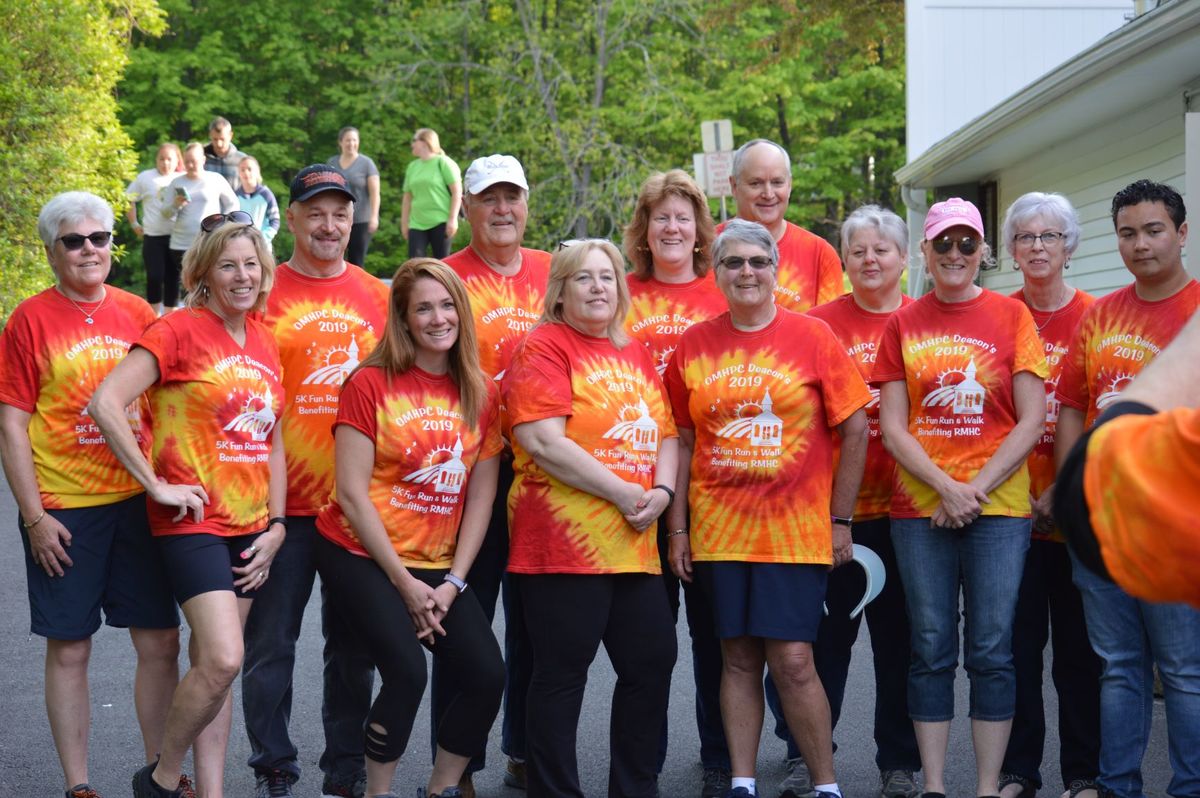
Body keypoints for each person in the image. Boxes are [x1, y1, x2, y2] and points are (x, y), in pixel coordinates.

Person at [664, 218, 870, 798]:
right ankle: (743, 782)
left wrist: (840, 519)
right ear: (717, 274)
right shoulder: (693, 345)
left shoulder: (812, 337)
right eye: (734, 263)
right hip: (718, 529)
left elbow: (856, 429)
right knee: (736, 658)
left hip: (794, 531)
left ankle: (826, 784)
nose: (747, 272)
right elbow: (681, 441)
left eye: (758, 261)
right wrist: (677, 530)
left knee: (795, 659)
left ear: (776, 270)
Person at [89, 216, 285, 798]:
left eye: (251, 263)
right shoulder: (176, 330)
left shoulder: (266, 339)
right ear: (203, 273)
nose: (242, 275)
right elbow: (107, 402)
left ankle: (212, 790)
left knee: (212, 669)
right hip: (193, 522)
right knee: (225, 658)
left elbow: (272, 438)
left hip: (251, 528)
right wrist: (156, 484)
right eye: (228, 264)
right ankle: (162, 777)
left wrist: (277, 524)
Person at [0, 192, 182, 798]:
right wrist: (34, 518)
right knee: (71, 647)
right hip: (67, 508)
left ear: (113, 243)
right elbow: (12, 425)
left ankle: (161, 772)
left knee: (159, 641)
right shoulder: (29, 319)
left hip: (138, 502)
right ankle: (79, 785)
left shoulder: (138, 311)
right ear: (52, 250)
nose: (89, 250)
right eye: (73, 241)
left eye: (99, 238)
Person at [873, 198, 1048, 798]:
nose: (954, 255)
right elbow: (894, 427)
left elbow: (1030, 420)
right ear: (924, 251)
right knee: (929, 646)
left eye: (966, 244)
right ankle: (935, 786)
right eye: (942, 244)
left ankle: (987, 786)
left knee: (993, 648)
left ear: (983, 252)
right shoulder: (902, 322)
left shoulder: (1011, 318)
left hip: (997, 510)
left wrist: (973, 490)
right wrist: (945, 487)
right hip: (921, 510)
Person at [315, 258, 506, 798]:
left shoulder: (482, 391)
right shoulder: (370, 382)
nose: (437, 317)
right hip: (359, 553)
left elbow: (482, 495)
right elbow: (351, 493)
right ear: (402, 317)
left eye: (447, 305)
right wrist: (405, 585)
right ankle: (377, 793)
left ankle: (440, 789)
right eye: (423, 307)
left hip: (438, 563)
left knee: (486, 675)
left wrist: (453, 583)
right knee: (406, 672)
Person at [503, 239, 680, 797]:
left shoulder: (633, 350)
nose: (599, 286)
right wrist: (628, 493)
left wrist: (664, 489)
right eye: (584, 278)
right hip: (561, 547)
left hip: (634, 545)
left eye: (607, 276)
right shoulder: (543, 347)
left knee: (651, 663)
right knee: (560, 677)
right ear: (559, 292)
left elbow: (668, 433)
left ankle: (635, 788)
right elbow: (542, 441)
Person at [1053, 179, 1200, 798]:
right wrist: (1069, 493)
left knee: (1185, 671)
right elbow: (1071, 408)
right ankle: (1118, 787)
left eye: (1153, 230)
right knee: (1118, 669)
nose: (1139, 244)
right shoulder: (1100, 313)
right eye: (1127, 233)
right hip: (1101, 517)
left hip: (1172, 520)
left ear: (1182, 232)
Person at [245, 164, 386, 798]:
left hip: (357, 506)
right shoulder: (260, 292)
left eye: (340, 213)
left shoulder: (378, 296)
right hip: (282, 507)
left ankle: (345, 769)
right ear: (292, 219)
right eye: (316, 213)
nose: (329, 225)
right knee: (270, 645)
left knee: (353, 651)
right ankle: (273, 765)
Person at [440, 153, 551, 794]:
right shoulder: (445, 276)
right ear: (469, 209)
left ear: (526, 204)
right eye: (489, 199)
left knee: (536, 621)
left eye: (513, 197)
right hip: (468, 468)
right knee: (466, 622)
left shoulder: (549, 272)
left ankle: (522, 749)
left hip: (545, 471)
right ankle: (458, 767)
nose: (503, 210)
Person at [806, 205, 921, 798]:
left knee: (899, 642)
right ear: (844, 259)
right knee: (825, 645)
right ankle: (812, 754)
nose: (871, 259)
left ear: (904, 258)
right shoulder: (817, 325)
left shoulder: (924, 321)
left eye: (883, 249)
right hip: (834, 513)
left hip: (908, 514)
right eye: (859, 250)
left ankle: (897, 762)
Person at [622, 169, 730, 798]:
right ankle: (644, 768)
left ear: (698, 231)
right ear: (644, 227)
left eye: (683, 218)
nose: (671, 227)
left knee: (717, 638)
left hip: (712, 487)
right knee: (648, 644)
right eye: (660, 217)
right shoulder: (621, 292)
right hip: (635, 486)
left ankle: (721, 758)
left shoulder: (722, 294)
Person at [996, 193, 1100, 798]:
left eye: (1049, 236)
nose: (1037, 247)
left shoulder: (1096, 315)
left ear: (1070, 246)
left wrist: (1064, 488)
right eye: (1026, 237)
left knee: (1079, 656)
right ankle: (1018, 771)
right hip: (1007, 516)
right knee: (1017, 650)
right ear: (1011, 250)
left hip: (1078, 513)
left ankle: (1082, 773)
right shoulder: (995, 317)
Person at [1056, 305, 1200, 608]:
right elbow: (1073, 404)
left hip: (1148, 520)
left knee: (1179, 654)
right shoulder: (1099, 314)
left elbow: (1083, 494)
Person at [721, 139, 843, 314]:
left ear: (790, 185)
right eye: (756, 183)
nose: (768, 194)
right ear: (734, 186)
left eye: (777, 182)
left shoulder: (820, 254)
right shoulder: (706, 249)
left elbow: (831, 332)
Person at [165, 142, 239, 312]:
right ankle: (189, 322)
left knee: (209, 281)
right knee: (188, 284)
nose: (191, 165)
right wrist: (176, 205)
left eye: (194, 161)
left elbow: (233, 202)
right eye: (187, 161)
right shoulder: (176, 182)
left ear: (203, 160)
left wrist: (224, 223)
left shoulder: (215, 179)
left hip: (208, 241)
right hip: (181, 242)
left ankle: (210, 316)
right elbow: (165, 213)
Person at [126, 142, 184, 315]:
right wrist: (134, 224)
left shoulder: (182, 178)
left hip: (177, 237)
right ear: (156, 160)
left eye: (169, 159)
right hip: (153, 236)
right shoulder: (145, 177)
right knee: (154, 276)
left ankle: (170, 317)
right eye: (162, 159)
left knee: (173, 278)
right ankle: (152, 317)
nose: (165, 163)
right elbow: (129, 199)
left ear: (176, 161)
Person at [403, 128, 462, 259]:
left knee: (442, 264)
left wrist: (453, 220)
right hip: (417, 223)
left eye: (414, 140)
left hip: (441, 221)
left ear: (425, 142)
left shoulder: (444, 163)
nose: (412, 144)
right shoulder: (412, 167)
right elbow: (407, 198)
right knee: (415, 264)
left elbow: (457, 192)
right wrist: (404, 223)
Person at [328, 126, 381, 268]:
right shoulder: (332, 163)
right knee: (334, 257)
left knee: (356, 260)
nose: (351, 143)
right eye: (347, 140)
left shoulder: (367, 164)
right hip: (336, 219)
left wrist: (374, 217)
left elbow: (375, 193)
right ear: (340, 142)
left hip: (361, 220)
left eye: (354, 140)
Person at [234, 156, 280, 244]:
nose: (246, 172)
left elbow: (275, 220)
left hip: (262, 245)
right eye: (242, 170)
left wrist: (263, 238)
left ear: (257, 171)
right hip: (241, 245)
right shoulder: (235, 196)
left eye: (249, 169)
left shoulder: (266, 194)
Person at [204, 116, 247, 187]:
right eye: (215, 139)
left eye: (222, 139)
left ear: (230, 135)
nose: (219, 144)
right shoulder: (201, 157)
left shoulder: (242, 160)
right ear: (210, 135)